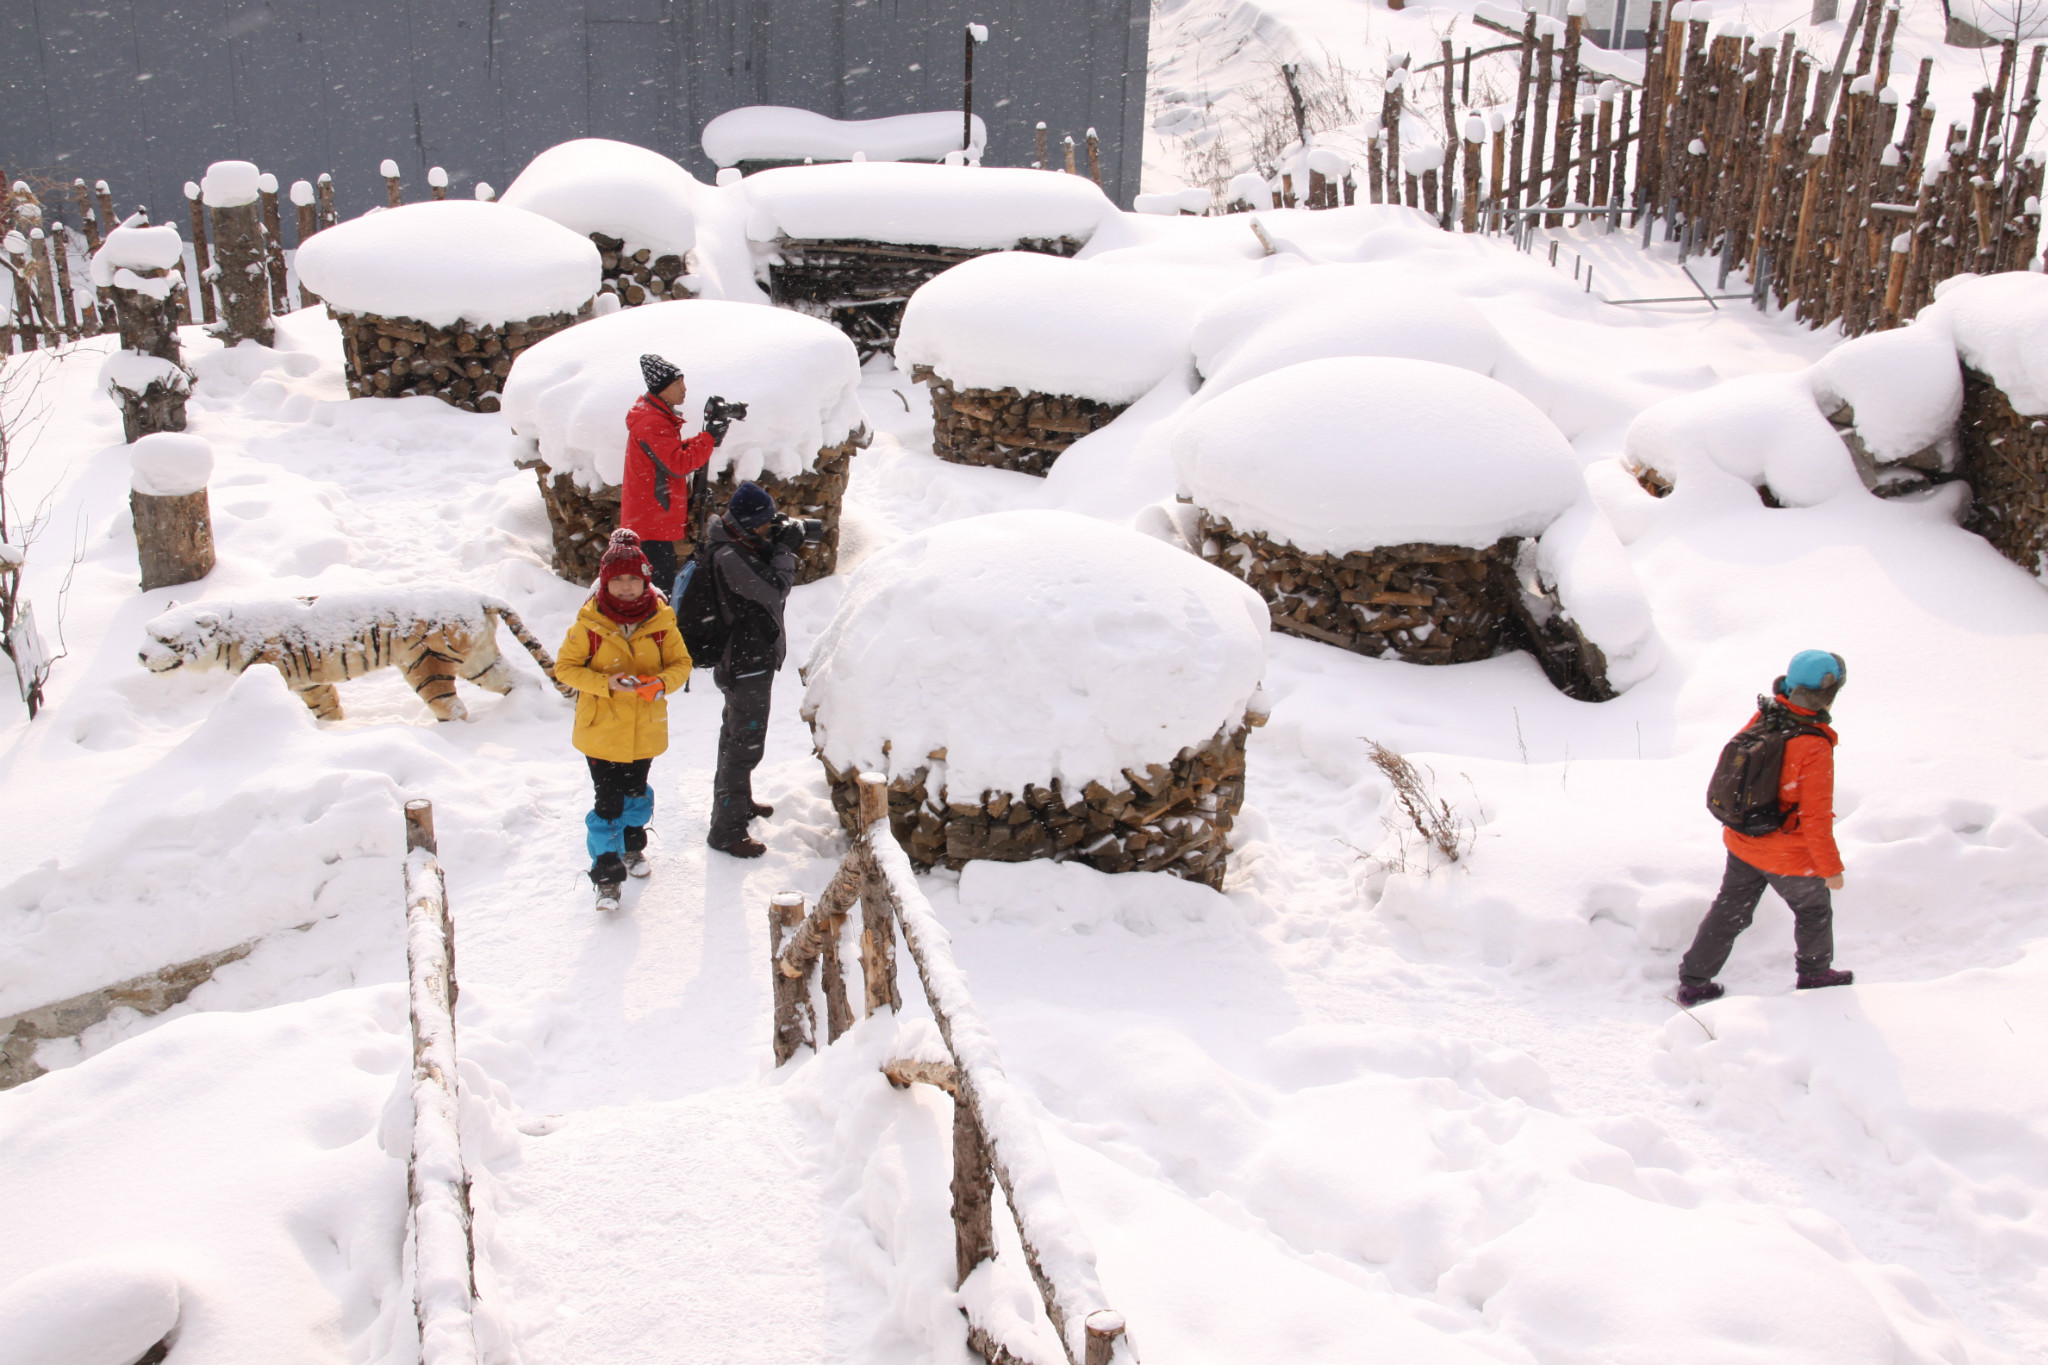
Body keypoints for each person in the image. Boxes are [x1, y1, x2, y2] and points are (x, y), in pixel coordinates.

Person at [1678, 650, 1854, 1006]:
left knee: (1730, 910)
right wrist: (1830, 869)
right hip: (1787, 856)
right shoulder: (1813, 746)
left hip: (1743, 841)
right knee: (1814, 911)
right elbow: (1815, 817)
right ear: (1827, 693)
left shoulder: (1766, 715)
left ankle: (1694, 981)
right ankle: (1816, 975)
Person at [555, 529, 693, 909]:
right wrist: (605, 683)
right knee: (608, 803)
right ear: (606, 581)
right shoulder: (590, 623)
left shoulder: (662, 620)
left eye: (634, 578)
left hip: (644, 729)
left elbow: (682, 664)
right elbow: (565, 669)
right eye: (618, 579)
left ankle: (632, 847)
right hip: (601, 730)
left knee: (636, 792)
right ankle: (606, 875)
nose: (627, 587)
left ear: (646, 579)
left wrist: (661, 683)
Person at [704, 481, 805, 858]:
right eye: (764, 524)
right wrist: (782, 550)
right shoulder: (730, 555)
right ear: (748, 523)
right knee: (743, 745)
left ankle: (739, 804)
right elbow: (774, 589)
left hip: (744, 658)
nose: (769, 528)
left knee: (734, 737)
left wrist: (770, 544)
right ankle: (726, 831)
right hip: (744, 661)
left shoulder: (735, 542)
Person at [623, 353, 716, 599]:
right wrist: (709, 440)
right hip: (650, 523)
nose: (684, 389)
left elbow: (669, 454)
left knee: (656, 588)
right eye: (677, 383)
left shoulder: (655, 418)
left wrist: (703, 439)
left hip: (649, 519)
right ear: (662, 388)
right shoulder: (651, 422)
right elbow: (678, 463)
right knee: (657, 593)